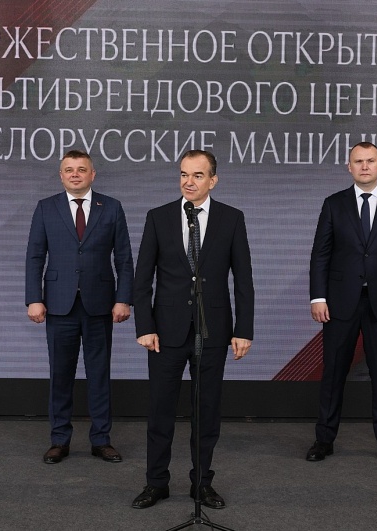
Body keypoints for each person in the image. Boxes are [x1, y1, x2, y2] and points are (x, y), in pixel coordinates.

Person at [131, 150, 254, 510]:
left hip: (212, 330)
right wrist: (144, 326)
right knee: (160, 411)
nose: (189, 181)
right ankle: (156, 483)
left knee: (207, 412)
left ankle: (201, 484)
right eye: (184, 174)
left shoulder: (232, 218)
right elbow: (142, 279)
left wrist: (244, 329)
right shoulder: (158, 217)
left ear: (213, 180)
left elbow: (243, 279)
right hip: (164, 333)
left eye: (198, 175)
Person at [306, 141, 377, 465]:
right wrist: (318, 296)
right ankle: (323, 440)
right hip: (339, 303)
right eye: (358, 161)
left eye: (370, 160)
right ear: (349, 166)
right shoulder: (334, 204)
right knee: (333, 373)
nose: (365, 166)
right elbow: (320, 254)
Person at [25, 150, 134, 465]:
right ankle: (59, 440)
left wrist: (123, 298)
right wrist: (34, 298)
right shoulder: (46, 207)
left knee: (99, 375)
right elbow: (35, 256)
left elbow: (124, 258)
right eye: (69, 169)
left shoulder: (111, 207)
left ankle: (101, 440)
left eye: (81, 169)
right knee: (60, 375)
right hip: (58, 306)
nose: (75, 174)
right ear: (61, 175)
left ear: (92, 174)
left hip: (100, 305)